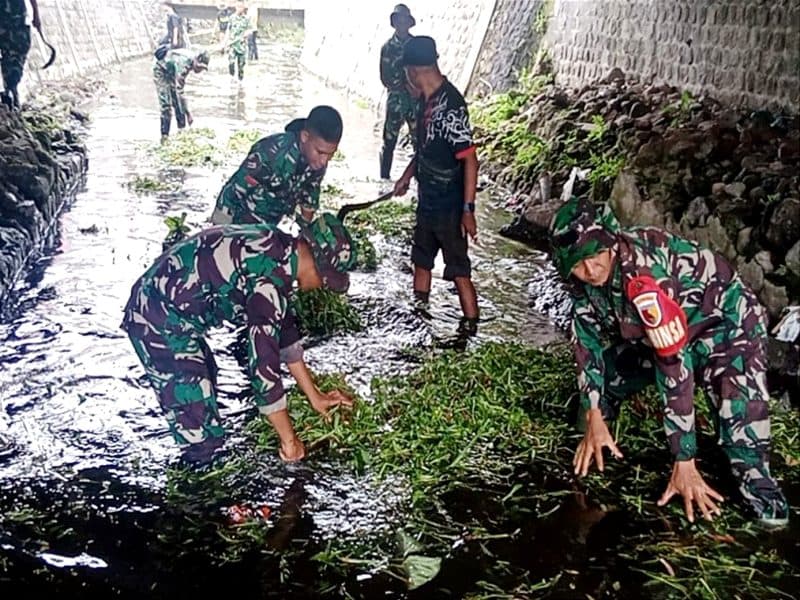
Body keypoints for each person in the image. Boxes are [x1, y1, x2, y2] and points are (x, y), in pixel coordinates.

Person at [549, 196, 789, 527]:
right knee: (604, 383)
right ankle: (594, 439)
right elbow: (586, 345)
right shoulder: (580, 281)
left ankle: (771, 518)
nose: (590, 271)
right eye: (578, 264)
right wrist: (593, 412)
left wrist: (684, 458)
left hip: (727, 328)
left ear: (610, 242)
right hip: (660, 335)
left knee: (741, 441)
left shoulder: (645, 278)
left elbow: (674, 368)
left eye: (595, 256)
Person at [122, 216, 357, 465]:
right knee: (198, 427)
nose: (323, 286)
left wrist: (315, 395)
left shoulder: (277, 247)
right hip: (157, 318)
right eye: (327, 279)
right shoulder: (268, 284)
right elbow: (263, 369)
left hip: (171, 310)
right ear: (317, 265)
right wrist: (290, 442)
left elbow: (285, 335)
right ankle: (196, 492)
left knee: (206, 378)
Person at [393, 36, 480, 335]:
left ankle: (470, 329)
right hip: (426, 200)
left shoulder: (452, 104)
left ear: (413, 70)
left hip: (450, 205)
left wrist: (468, 210)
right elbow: (425, 149)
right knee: (421, 260)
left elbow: (470, 160)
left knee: (459, 271)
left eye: (406, 72)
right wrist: (407, 175)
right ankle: (420, 320)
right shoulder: (424, 102)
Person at [211, 105, 342, 226]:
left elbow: (309, 198)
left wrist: (304, 232)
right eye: (320, 152)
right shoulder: (270, 152)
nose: (324, 161)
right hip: (241, 223)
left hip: (271, 227)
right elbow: (233, 191)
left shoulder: (317, 162)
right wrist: (220, 231)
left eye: (331, 154)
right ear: (305, 136)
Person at [379, 4, 417, 180]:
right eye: (398, 20)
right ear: (394, 23)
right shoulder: (387, 47)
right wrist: (403, 85)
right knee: (389, 141)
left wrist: (415, 88)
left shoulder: (417, 46)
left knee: (420, 142)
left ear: (409, 23)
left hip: (416, 101)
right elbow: (385, 78)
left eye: (404, 20)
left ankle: (420, 183)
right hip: (395, 100)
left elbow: (427, 71)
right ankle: (384, 181)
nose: (401, 24)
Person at [153, 47, 209, 143]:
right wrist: (188, 113)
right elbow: (179, 89)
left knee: (178, 103)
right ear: (197, 60)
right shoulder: (184, 63)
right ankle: (164, 137)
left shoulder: (190, 63)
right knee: (166, 104)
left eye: (202, 69)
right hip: (161, 70)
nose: (200, 71)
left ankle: (181, 132)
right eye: (200, 67)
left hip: (171, 72)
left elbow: (178, 90)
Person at [0, 0, 40, 110]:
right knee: (12, 55)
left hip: (16, 18)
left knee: (14, 54)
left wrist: (36, 14)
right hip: (11, 19)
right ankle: (10, 92)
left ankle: (11, 90)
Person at [225, 1, 250, 81]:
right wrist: (225, 42)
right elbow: (228, 30)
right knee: (231, 63)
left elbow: (250, 30)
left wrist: (246, 34)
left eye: (241, 7)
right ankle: (231, 78)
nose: (239, 9)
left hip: (241, 46)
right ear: (236, 7)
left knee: (241, 67)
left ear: (243, 8)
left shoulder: (246, 19)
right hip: (232, 45)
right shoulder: (232, 18)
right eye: (238, 7)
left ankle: (240, 82)